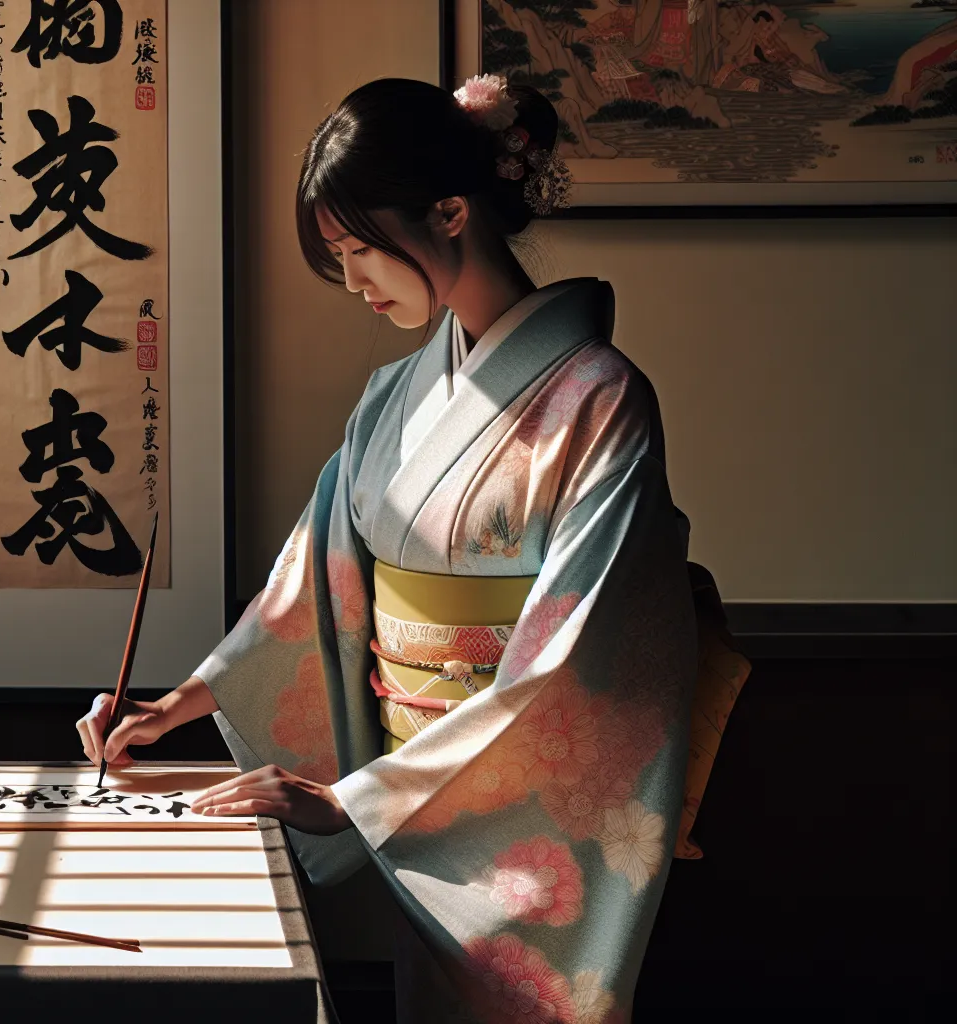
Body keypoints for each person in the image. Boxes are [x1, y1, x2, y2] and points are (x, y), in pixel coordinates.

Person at [77, 76, 698, 1023]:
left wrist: (357, 800)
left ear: (451, 212)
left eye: (360, 250)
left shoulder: (602, 400)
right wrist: (181, 705)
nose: (353, 282)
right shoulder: (394, 398)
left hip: (511, 814)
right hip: (418, 805)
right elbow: (316, 584)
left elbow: (577, 659)